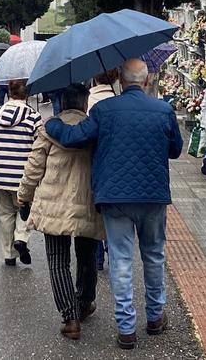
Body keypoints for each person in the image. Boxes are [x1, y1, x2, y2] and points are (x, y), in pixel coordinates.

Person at [44, 58, 183, 351]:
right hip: (153, 197)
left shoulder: (104, 110)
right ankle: (156, 317)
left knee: (121, 259)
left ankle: (127, 329)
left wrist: (53, 121)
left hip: (114, 197)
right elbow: (175, 150)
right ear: (145, 82)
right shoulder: (163, 110)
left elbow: (74, 137)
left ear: (120, 81)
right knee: (154, 255)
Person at [18, 83, 103, 341]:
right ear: (84, 104)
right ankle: (85, 301)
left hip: (53, 205)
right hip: (86, 201)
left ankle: (70, 317)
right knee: (87, 255)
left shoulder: (48, 129)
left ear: (62, 104)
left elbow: (33, 168)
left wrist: (24, 197)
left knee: (57, 260)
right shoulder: (94, 129)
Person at [0, 78, 40, 266]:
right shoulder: (33, 116)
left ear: (10, 93)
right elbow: (39, 145)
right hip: (23, 176)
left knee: (4, 214)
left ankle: (9, 254)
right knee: (25, 210)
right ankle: (21, 238)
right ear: (27, 94)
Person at [88, 68, 118, 270]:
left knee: (94, 210)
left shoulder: (88, 100)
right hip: (114, 162)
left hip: (93, 159)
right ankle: (111, 247)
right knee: (112, 211)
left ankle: (97, 258)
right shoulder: (118, 101)